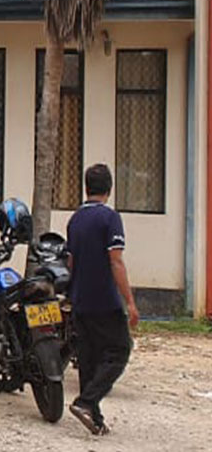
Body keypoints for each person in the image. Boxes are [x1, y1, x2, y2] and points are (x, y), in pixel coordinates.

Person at [66, 164, 139, 435]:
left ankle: (93, 417)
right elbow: (116, 261)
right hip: (105, 299)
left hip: (80, 298)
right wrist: (129, 301)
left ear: (86, 188)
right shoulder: (110, 218)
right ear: (109, 189)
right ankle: (86, 402)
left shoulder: (75, 220)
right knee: (119, 351)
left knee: (89, 357)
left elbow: (70, 261)